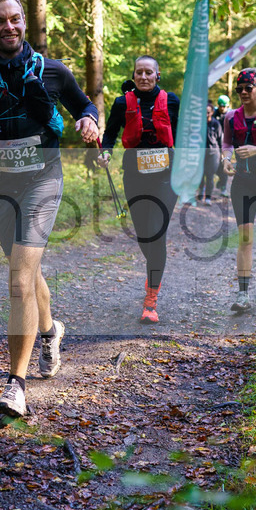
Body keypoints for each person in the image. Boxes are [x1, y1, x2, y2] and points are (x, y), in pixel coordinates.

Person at [0, 0, 100, 418]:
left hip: (44, 182)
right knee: (24, 272)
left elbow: (85, 105)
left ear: (24, 21)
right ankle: (50, 331)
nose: (8, 27)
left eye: (14, 19)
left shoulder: (51, 70)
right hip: (0, 186)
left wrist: (89, 120)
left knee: (18, 280)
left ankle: (16, 385)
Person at [96, 56, 180, 324]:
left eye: (148, 72)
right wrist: (105, 153)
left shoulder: (172, 101)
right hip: (134, 176)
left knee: (157, 232)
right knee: (145, 237)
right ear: (133, 75)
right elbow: (109, 134)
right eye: (139, 72)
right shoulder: (123, 102)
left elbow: (186, 134)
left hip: (167, 177)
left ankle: (151, 301)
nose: (143, 76)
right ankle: (153, 270)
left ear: (158, 75)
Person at [222, 68, 256, 313]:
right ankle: (243, 295)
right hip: (242, 184)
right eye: (239, 89)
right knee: (245, 238)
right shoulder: (231, 117)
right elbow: (226, 143)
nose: (243, 92)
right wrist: (226, 159)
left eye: (248, 88)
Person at [197, 104, 223, 204]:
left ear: (212, 112)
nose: (206, 114)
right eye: (204, 112)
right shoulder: (198, 124)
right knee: (200, 174)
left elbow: (220, 140)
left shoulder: (216, 124)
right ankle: (201, 190)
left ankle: (208, 197)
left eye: (208, 112)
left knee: (210, 175)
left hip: (213, 153)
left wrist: (222, 154)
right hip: (201, 153)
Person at [214, 95, 231, 196]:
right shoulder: (214, 113)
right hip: (215, 143)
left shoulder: (230, 115)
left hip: (226, 144)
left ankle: (223, 187)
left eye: (224, 106)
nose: (222, 108)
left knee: (225, 165)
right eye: (221, 106)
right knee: (214, 165)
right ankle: (220, 181)